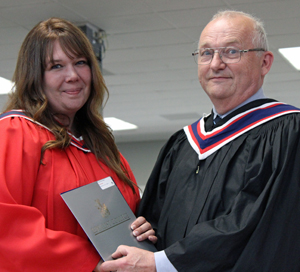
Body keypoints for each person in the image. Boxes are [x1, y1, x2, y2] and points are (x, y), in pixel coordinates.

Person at [100, 10, 300, 272]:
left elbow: (258, 226)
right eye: (206, 53)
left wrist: (163, 263)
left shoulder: (288, 133)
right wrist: (147, 231)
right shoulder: (181, 144)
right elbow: (154, 219)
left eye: (231, 52)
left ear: (265, 62)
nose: (216, 63)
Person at [0, 17, 156, 272]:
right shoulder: (16, 133)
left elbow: (131, 214)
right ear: (35, 76)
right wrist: (88, 262)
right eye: (56, 66)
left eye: (80, 63)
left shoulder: (102, 147)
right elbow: (5, 225)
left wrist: (144, 228)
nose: (72, 76)